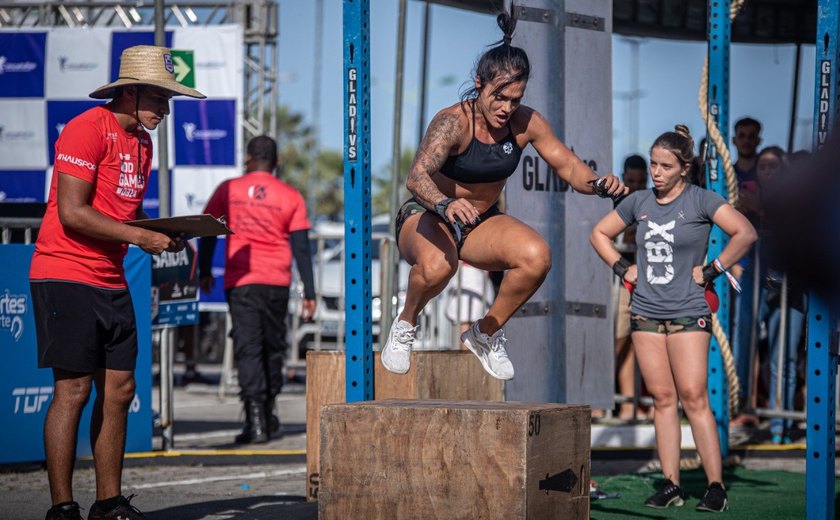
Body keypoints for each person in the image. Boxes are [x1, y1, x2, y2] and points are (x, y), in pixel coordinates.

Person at [380, 12, 628, 380]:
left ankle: (485, 334)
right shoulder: (453, 121)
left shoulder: (526, 123)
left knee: (537, 257)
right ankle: (404, 324)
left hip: (479, 221)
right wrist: (446, 204)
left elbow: (570, 167)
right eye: (499, 97)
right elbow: (416, 177)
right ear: (479, 84)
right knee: (439, 267)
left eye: (515, 99)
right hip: (428, 212)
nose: (505, 108)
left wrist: (598, 184)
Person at [30, 45, 204, 520]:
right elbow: (72, 212)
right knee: (73, 390)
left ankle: (108, 502)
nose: (167, 109)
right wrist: (139, 236)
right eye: (161, 98)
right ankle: (61, 506)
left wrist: (169, 232)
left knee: (122, 389)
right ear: (130, 92)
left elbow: (123, 213)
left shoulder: (142, 143)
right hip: (65, 271)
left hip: (110, 276)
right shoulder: (87, 128)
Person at [590, 125, 757, 512]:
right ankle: (671, 484)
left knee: (694, 397)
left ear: (684, 167)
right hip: (646, 311)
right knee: (662, 399)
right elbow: (599, 233)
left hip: (688, 311)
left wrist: (713, 269)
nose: (656, 172)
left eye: (665, 166)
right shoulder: (639, 201)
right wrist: (622, 267)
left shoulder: (702, 200)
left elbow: (745, 233)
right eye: (653, 164)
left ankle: (715, 486)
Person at [199, 135, 316, 444]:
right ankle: (267, 412)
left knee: (248, 348)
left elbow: (207, 228)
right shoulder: (291, 195)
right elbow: (302, 248)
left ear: (248, 158)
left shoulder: (229, 189)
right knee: (273, 347)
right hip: (277, 281)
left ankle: (256, 421)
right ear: (276, 163)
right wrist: (311, 293)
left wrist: (204, 271)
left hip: (242, 282)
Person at [754, 146, 806, 444]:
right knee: (739, 347)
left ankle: (779, 424)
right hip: (753, 287)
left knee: (782, 357)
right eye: (764, 166)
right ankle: (742, 409)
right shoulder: (741, 199)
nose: (769, 172)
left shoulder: (798, 202)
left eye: (775, 166)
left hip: (791, 289)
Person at [729, 117, 763, 421]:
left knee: (751, 339)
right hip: (729, 265)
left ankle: (749, 405)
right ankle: (735, 404)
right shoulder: (728, 174)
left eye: (752, 136)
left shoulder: (763, 173)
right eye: (742, 135)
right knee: (734, 337)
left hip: (760, 265)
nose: (747, 140)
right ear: (735, 139)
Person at [613, 154, 648, 419]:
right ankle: (604, 399)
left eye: (640, 181)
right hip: (620, 280)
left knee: (633, 344)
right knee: (618, 341)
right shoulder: (617, 202)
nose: (635, 186)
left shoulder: (649, 201)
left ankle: (628, 404)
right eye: (631, 180)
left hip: (644, 280)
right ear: (623, 177)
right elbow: (607, 236)